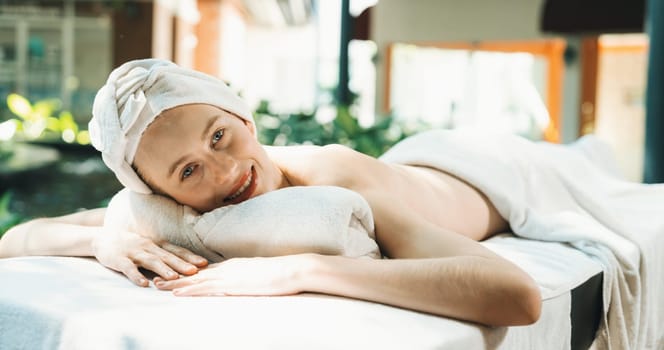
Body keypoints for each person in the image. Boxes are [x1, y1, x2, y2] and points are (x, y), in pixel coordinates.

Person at [0, 59, 541, 327]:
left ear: (243, 118)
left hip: (484, 168)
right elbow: (18, 239)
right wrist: (104, 243)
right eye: (188, 171)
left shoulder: (334, 183)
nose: (226, 168)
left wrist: (302, 270)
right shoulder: (176, 215)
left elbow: (516, 294)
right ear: (160, 195)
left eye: (220, 135)